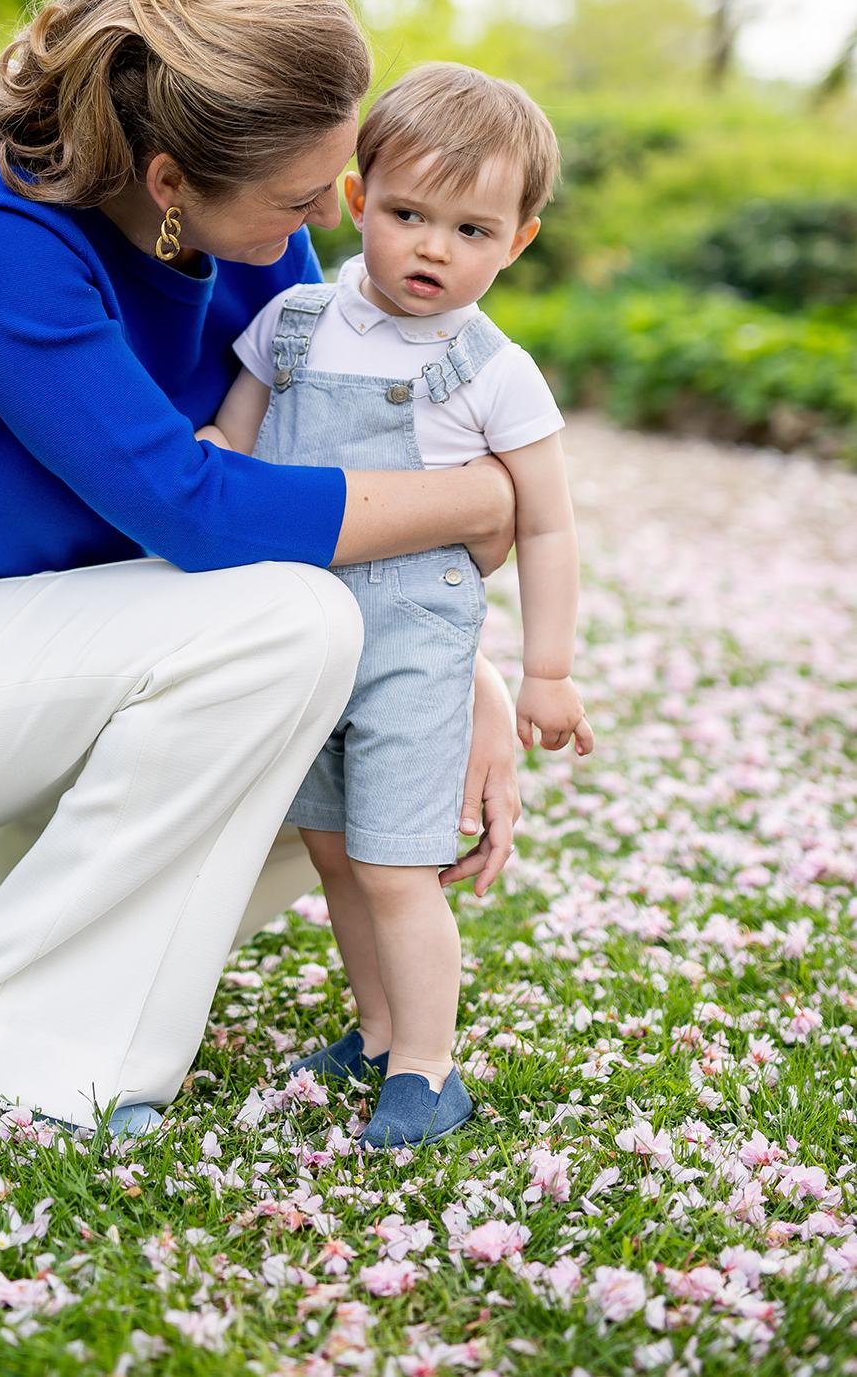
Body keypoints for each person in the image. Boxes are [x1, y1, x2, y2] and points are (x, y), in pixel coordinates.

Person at [0, 0, 521, 1138]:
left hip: (46, 654)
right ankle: (23, 1040)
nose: (331, 219)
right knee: (291, 627)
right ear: (170, 183)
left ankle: (25, 913)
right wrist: (483, 501)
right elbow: (194, 508)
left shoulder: (253, 233)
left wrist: (456, 661)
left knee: (363, 698)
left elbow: (302, 465)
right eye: (303, 199)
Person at [200, 62, 595, 1149]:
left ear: (517, 243)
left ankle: (428, 1066)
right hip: (300, 629)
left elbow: (548, 523)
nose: (433, 248)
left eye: (472, 231)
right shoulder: (292, 323)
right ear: (357, 201)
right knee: (329, 846)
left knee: (394, 861)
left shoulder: (493, 372)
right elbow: (233, 444)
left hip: (415, 643)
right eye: (410, 214)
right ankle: (375, 1031)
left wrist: (547, 670)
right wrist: (211, 457)